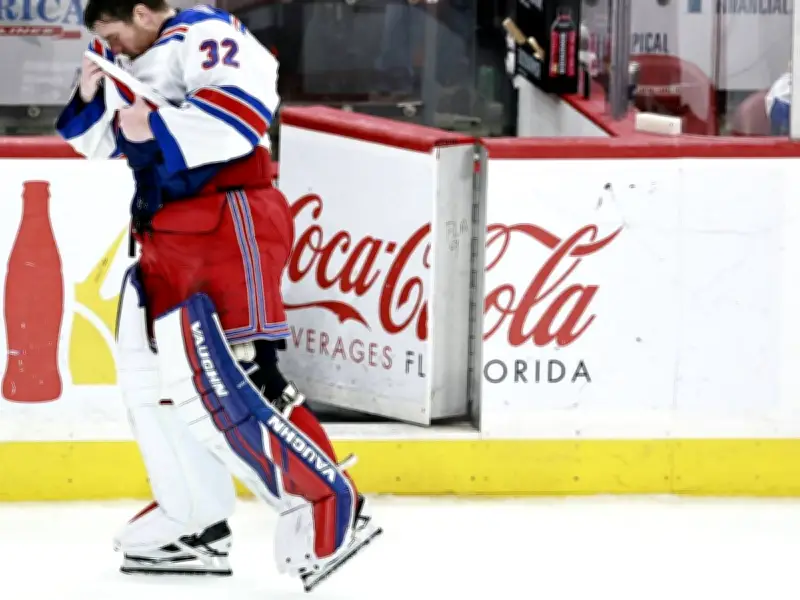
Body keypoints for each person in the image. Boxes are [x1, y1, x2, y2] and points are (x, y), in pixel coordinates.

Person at [55, 0, 381, 590]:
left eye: (115, 32)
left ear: (142, 11)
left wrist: (150, 126)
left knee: (244, 378)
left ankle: (334, 505)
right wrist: (87, 96)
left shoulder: (206, 36)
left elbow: (240, 118)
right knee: (158, 385)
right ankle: (194, 524)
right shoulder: (122, 50)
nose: (114, 46)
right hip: (164, 232)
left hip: (230, 224)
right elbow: (98, 144)